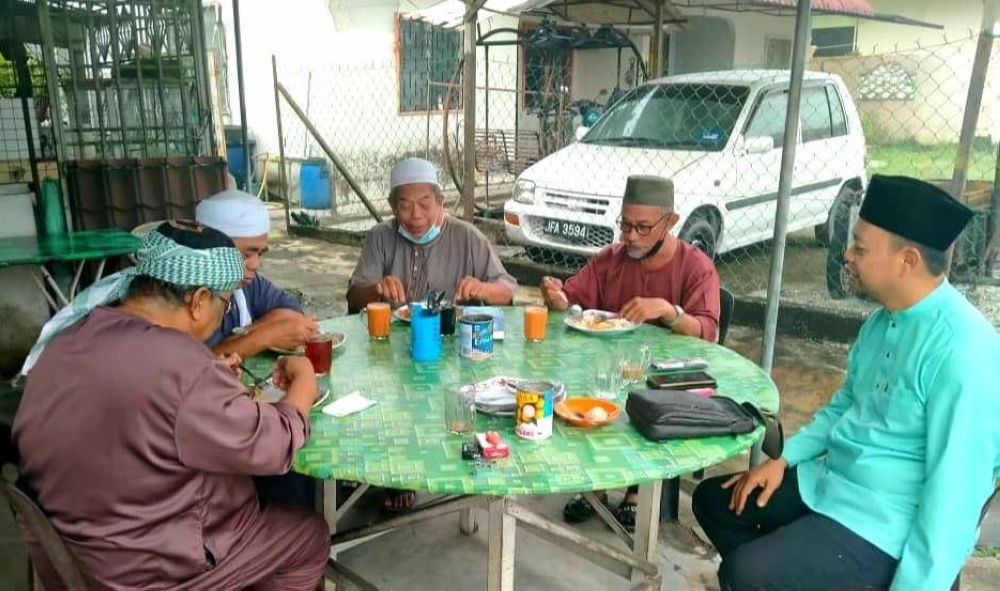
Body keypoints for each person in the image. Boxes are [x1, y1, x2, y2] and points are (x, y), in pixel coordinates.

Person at [692, 175, 1000, 591]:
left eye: (860, 247)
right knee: (715, 503)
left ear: (907, 261)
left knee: (745, 572)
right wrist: (784, 461)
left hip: (883, 524)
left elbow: (953, 504)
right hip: (830, 485)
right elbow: (844, 407)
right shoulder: (880, 321)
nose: (847, 257)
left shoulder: (964, 352)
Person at [14, 221, 330, 591]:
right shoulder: (181, 366)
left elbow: (141, 395)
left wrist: (205, 379)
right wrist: (304, 382)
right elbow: (273, 446)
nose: (222, 316)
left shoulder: (68, 339)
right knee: (308, 536)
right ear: (198, 301)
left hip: (73, 552)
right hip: (147, 572)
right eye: (224, 305)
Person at [545, 175, 721, 530]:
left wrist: (668, 311)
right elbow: (573, 300)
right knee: (580, 382)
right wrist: (556, 297)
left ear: (670, 223)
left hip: (666, 376)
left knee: (646, 399)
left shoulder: (695, 266)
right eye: (625, 225)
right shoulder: (610, 259)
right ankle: (595, 484)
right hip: (612, 366)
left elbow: (707, 332)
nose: (630, 237)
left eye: (642, 227)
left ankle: (636, 491)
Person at [347, 157, 517, 312]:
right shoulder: (380, 237)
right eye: (405, 206)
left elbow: (506, 292)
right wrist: (377, 288)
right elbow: (354, 298)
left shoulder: (468, 237)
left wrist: (482, 289)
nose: (416, 215)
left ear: (440, 202)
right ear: (392, 207)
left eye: (425, 204)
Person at [196, 189, 318, 358]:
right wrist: (264, 336)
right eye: (245, 255)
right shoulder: (183, 296)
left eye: (260, 254)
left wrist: (244, 336)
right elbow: (193, 368)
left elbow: (291, 310)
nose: (255, 265)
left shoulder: (247, 285)